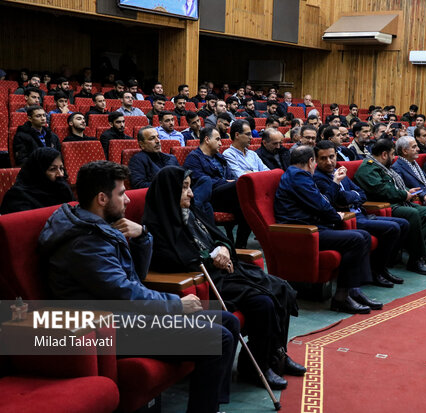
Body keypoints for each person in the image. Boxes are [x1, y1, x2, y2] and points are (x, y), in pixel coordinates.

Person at [38, 161, 238, 413]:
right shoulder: (85, 242)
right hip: (108, 328)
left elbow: (137, 275)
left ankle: (212, 405)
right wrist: (176, 305)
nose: (128, 201)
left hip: (126, 315)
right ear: (102, 198)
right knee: (219, 337)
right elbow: (123, 292)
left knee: (228, 321)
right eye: (121, 194)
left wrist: (142, 235)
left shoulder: (96, 227)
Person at [143, 166, 305, 390]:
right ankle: (256, 366)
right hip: (207, 281)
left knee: (281, 287)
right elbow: (174, 260)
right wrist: (212, 258)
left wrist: (224, 249)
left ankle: (277, 354)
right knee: (264, 301)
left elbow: (221, 237)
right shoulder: (156, 225)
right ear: (170, 192)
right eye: (185, 189)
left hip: (226, 272)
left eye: (190, 188)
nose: (191, 194)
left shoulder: (193, 211)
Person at [275, 146, 380, 314]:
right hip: (303, 233)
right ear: (311, 161)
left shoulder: (296, 175)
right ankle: (341, 297)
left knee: (363, 236)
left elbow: (322, 202)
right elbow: (323, 205)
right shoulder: (299, 176)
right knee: (357, 239)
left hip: (312, 227)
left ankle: (353, 290)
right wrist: (335, 216)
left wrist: (333, 196)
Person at [313, 140, 408, 288]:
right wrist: (350, 196)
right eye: (323, 158)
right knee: (393, 228)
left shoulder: (339, 170)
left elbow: (361, 194)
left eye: (332, 157)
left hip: (360, 213)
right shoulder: (319, 178)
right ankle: (376, 271)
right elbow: (337, 199)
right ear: (316, 160)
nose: (329, 161)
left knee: (403, 223)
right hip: (348, 219)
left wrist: (350, 197)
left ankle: (382, 268)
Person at [355, 139, 426, 275]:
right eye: (392, 154)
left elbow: (395, 185)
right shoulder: (368, 168)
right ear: (384, 154)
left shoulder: (384, 167)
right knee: (412, 213)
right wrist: (404, 194)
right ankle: (415, 260)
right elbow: (383, 190)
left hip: (397, 200)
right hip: (385, 205)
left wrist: (408, 191)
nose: (394, 158)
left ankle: (421, 255)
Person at [183, 126, 252, 248]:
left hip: (227, 196)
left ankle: (240, 248)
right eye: (218, 139)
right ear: (207, 140)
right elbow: (202, 182)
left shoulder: (220, 158)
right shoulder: (194, 157)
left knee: (247, 209)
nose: (221, 143)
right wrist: (226, 182)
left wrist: (227, 182)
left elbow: (230, 176)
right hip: (210, 196)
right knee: (240, 184)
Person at [1, 148, 73, 214]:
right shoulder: (17, 197)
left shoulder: (61, 189)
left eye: (61, 168)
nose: (60, 174)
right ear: (38, 172)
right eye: (52, 169)